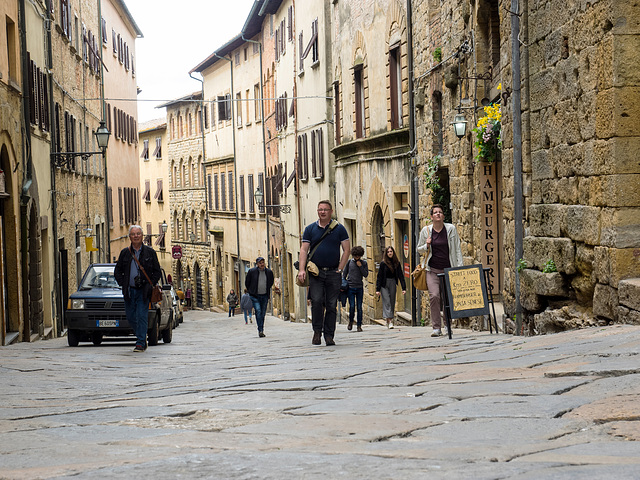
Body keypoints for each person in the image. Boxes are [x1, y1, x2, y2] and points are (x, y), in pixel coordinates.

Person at [297, 200, 350, 346]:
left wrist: (340, 268)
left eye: (325, 209)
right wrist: (302, 270)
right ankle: (317, 332)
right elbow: (304, 250)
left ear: (331, 211)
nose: (322, 212)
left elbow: (347, 249)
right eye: (320, 209)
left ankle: (329, 336)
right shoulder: (310, 229)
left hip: (333, 272)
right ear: (317, 211)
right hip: (316, 273)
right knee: (317, 302)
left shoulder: (339, 229)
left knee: (332, 305)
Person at [417, 204, 463, 336]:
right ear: (431, 217)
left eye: (440, 212)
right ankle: (436, 327)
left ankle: (448, 325)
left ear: (443, 216)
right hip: (432, 270)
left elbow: (457, 249)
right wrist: (426, 245)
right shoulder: (426, 231)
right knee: (435, 296)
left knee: (447, 298)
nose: (438, 214)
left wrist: (459, 267)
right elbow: (418, 249)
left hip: (448, 269)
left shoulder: (451, 229)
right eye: (435, 212)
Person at [114, 225, 161, 352]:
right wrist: (122, 283)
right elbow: (117, 271)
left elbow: (157, 272)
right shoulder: (125, 253)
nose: (136, 236)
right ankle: (142, 336)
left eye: (138, 234)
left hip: (144, 291)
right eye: (133, 234)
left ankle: (140, 342)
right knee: (131, 317)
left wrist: (150, 284)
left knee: (141, 316)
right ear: (129, 237)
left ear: (142, 236)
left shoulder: (150, 252)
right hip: (129, 290)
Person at [375, 246, 406, 329]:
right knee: (387, 301)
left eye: (391, 251)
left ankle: (388, 319)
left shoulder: (396, 263)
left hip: (392, 283)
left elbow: (400, 275)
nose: (390, 253)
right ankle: (390, 321)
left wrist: (404, 288)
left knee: (392, 301)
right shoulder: (383, 263)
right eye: (388, 252)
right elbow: (379, 277)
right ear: (386, 253)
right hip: (384, 284)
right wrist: (377, 289)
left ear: (393, 252)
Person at [245, 257, 274, 338]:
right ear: (257, 264)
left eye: (263, 262)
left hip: (264, 295)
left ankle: (261, 329)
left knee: (262, 313)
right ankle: (260, 330)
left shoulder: (269, 272)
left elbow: (271, 282)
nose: (262, 264)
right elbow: (247, 282)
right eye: (260, 263)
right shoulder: (252, 272)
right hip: (255, 296)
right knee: (258, 311)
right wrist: (251, 291)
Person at [343, 246, 369, 332]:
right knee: (352, 306)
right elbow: (344, 274)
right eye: (355, 256)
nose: (357, 257)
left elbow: (365, 274)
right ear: (353, 255)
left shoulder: (364, 263)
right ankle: (350, 321)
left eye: (358, 256)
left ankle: (359, 325)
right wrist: (344, 283)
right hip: (350, 287)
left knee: (359, 307)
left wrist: (361, 266)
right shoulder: (349, 262)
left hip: (359, 288)